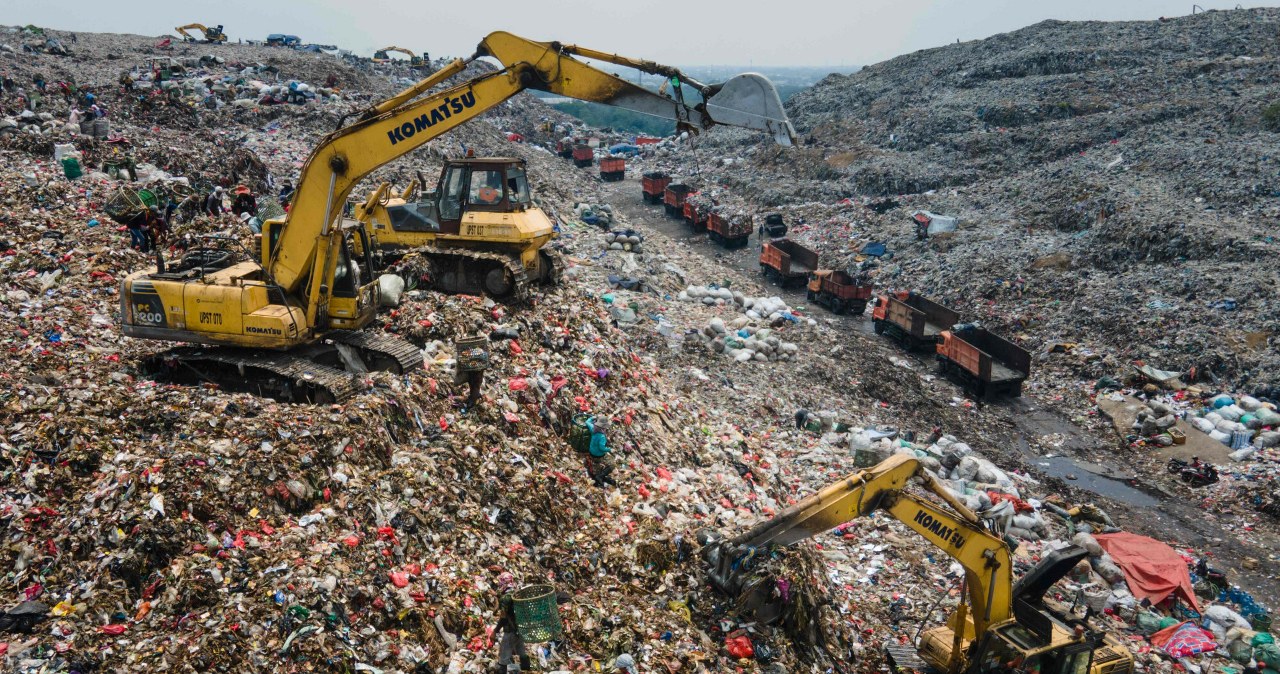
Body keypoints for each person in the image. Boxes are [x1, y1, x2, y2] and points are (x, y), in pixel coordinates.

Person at [494, 573, 529, 673]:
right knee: (522, 653)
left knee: (503, 658)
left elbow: (503, 618)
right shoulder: (517, 593)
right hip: (520, 629)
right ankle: (527, 670)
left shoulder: (505, 598)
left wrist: (495, 631)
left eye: (500, 581)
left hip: (510, 631)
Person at [585, 416, 616, 487]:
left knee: (597, 469)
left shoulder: (593, 428)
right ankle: (600, 476)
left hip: (591, 452)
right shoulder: (602, 436)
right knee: (612, 464)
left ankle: (600, 477)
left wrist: (592, 417)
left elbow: (587, 422)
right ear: (603, 427)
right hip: (598, 455)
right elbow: (602, 448)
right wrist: (610, 449)